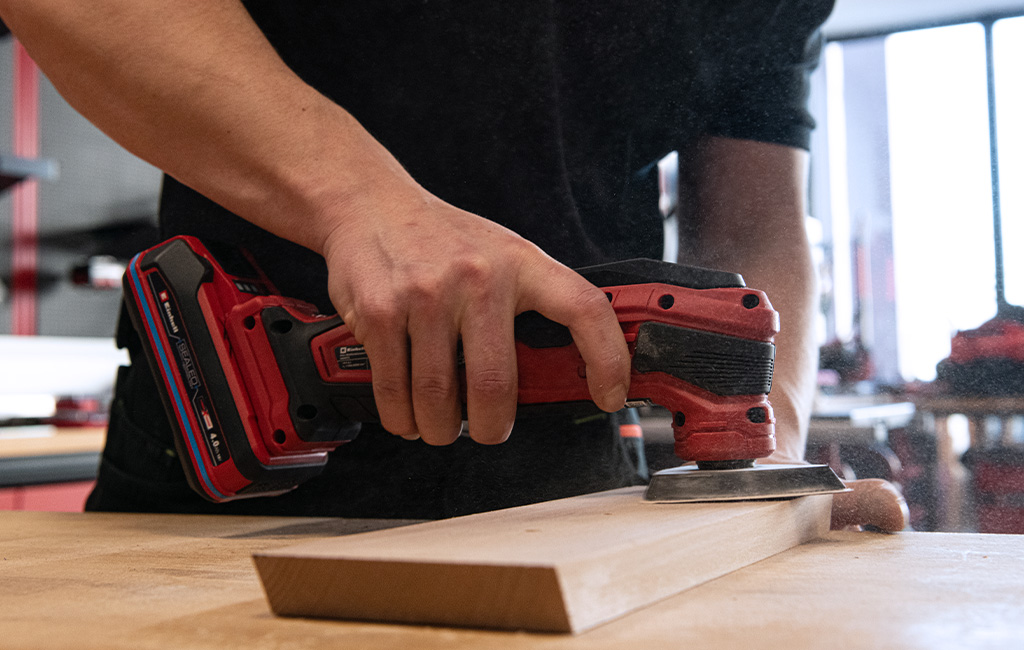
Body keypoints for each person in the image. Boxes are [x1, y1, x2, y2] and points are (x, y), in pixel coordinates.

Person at [0, 1, 907, 529]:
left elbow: (753, 220)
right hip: (243, 422)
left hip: (573, 485)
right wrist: (362, 205)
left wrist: (765, 456)